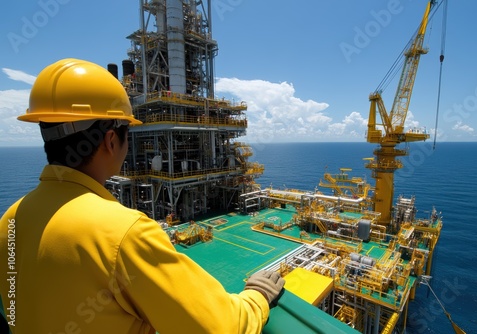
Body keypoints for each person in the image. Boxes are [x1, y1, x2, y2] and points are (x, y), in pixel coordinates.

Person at [0, 58, 285, 333]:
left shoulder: (10, 220)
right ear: (112, 140)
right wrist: (257, 297)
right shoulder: (123, 233)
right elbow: (221, 328)